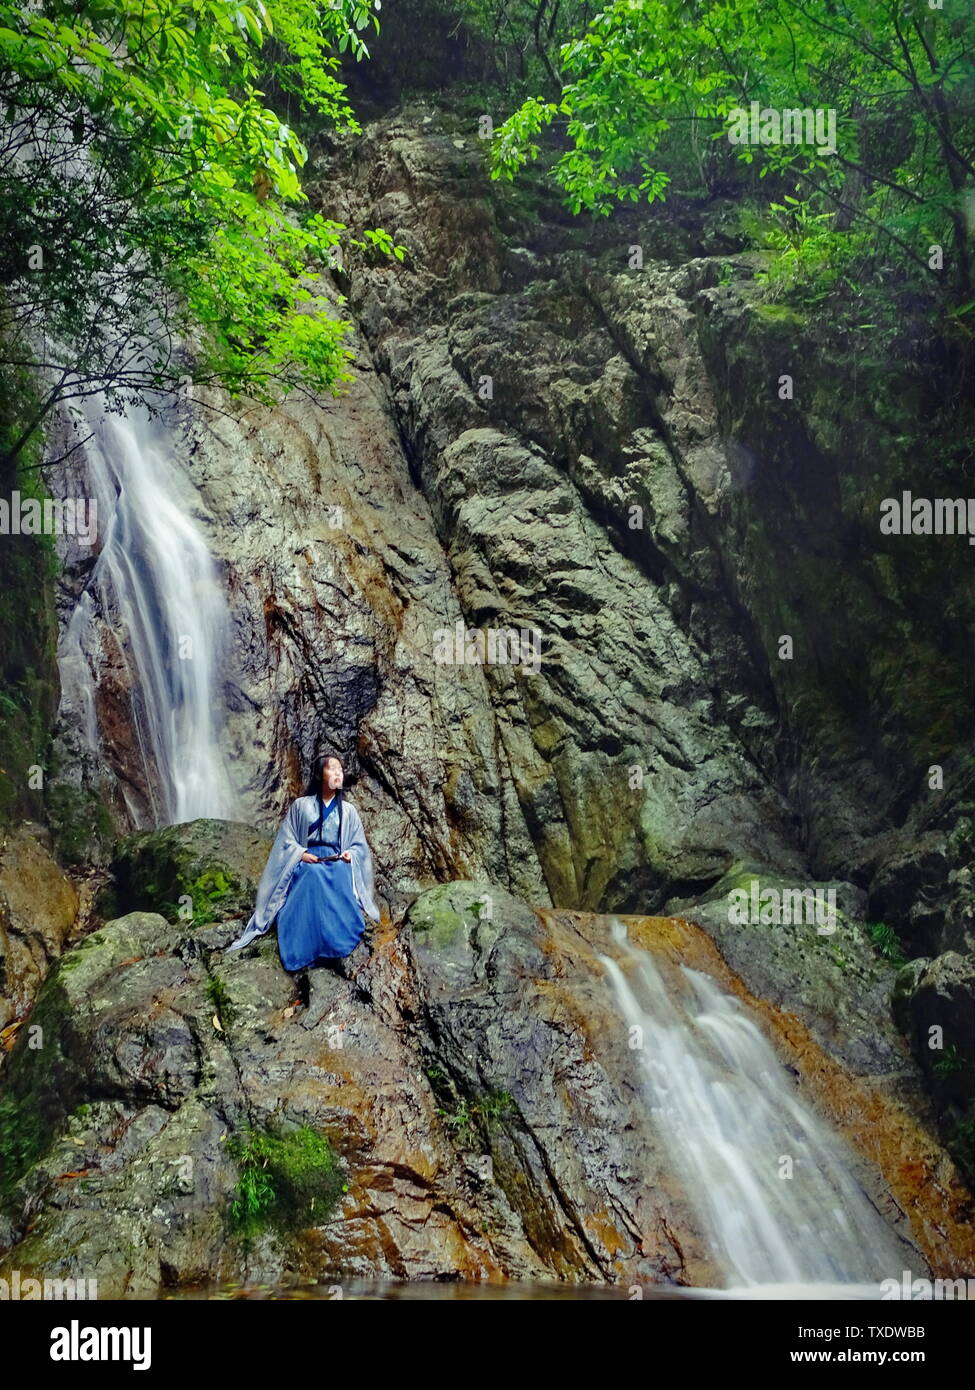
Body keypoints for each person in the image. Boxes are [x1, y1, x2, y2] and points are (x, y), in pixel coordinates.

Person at [226, 754, 380, 982]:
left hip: (336, 861)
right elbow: (286, 841)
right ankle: (307, 948)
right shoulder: (301, 806)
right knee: (312, 875)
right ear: (320, 775)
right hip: (308, 860)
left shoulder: (348, 811)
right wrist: (301, 854)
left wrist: (350, 854)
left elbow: (358, 846)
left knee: (337, 873)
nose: (338, 773)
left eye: (340, 769)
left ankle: (334, 942)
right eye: (332, 769)